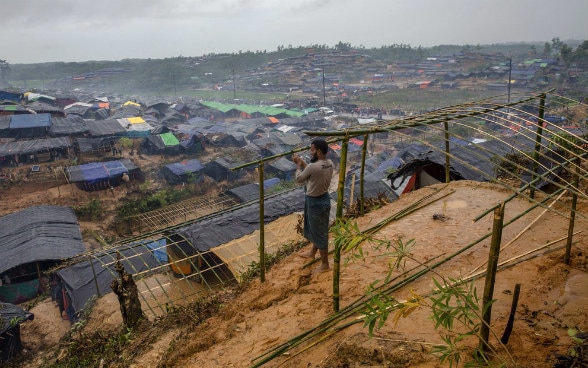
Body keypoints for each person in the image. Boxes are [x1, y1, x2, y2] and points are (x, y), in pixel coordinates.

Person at [291, 139, 334, 273]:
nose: (310, 152)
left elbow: (299, 179)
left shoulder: (312, 167)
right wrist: (302, 163)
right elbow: (311, 170)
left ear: (319, 151)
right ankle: (312, 253)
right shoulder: (329, 163)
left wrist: (298, 165)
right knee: (319, 229)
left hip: (314, 203)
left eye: (312, 150)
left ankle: (325, 264)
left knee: (320, 233)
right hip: (324, 199)